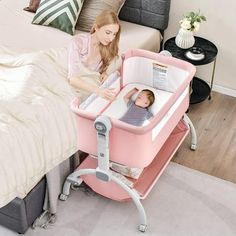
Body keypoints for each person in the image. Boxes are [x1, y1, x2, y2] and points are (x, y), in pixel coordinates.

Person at [68, 10, 121, 101]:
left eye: (114, 34)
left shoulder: (107, 48)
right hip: (73, 81)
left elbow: (115, 62)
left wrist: (105, 72)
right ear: (96, 27)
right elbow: (73, 79)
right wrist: (99, 91)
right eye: (108, 33)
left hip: (87, 84)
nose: (111, 38)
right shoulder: (79, 42)